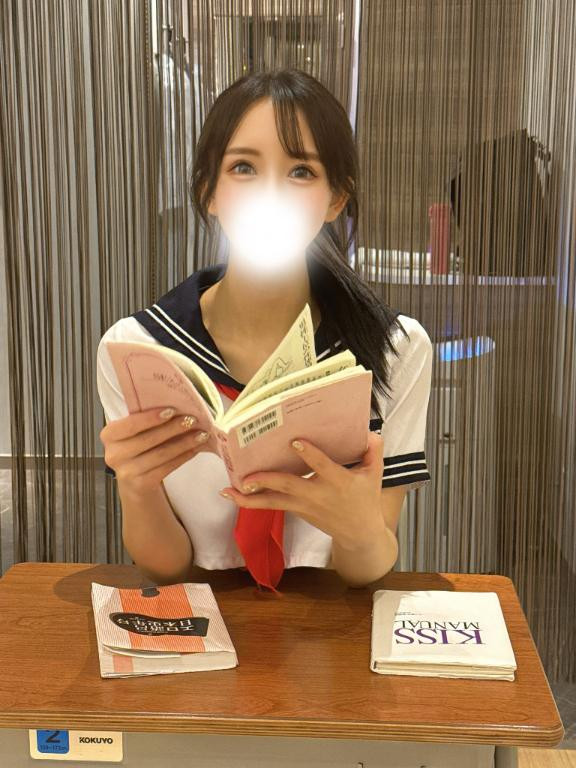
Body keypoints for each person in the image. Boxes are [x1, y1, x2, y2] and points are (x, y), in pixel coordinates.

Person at [96, 68, 433, 591]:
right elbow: (166, 569)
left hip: (328, 620)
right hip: (207, 614)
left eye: (300, 171)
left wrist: (359, 525)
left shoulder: (396, 348)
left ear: (336, 199)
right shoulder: (137, 350)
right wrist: (136, 487)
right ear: (208, 190)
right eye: (244, 167)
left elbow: (365, 570)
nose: (270, 194)